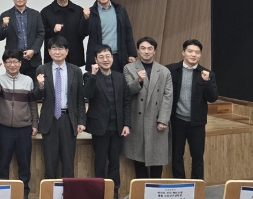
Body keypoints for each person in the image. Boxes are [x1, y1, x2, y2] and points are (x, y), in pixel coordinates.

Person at [34, 36, 86, 179]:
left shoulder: (75, 70)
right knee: (50, 163)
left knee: (68, 162)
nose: (57, 52)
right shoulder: (41, 69)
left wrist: (81, 121)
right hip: (49, 121)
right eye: (54, 49)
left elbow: (80, 98)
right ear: (49, 52)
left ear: (67, 51)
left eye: (61, 48)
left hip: (69, 119)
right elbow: (36, 96)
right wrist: (40, 85)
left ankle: (68, 190)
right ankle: (49, 190)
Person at [84, 45, 131, 199]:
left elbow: (126, 102)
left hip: (117, 128)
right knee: (100, 162)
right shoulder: (89, 76)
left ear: (112, 57)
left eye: (108, 56)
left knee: (114, 162)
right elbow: (87, 94)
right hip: (99, 127)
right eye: (101, 57)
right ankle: (99, 193)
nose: (105, 59)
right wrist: (93, 75)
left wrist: (126, 124)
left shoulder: (119, 77)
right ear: (96, 60)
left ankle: (114, 193)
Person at [167, 39, 218, 179]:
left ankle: (197, 186)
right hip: (177, 120)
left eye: (197, 52)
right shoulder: (171, 70)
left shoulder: (207, 74)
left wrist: (207, 81)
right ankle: (180, 185)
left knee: (197, 156)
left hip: (197, 123)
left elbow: (212, 98)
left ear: (200, 55)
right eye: (190, 51)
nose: (193, 55)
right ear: (183, 52)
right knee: (177, 155)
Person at [0, 49, 38, 199]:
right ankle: (2, 193)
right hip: (4, 128)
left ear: (20, 63)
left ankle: (24, 193)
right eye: (9, 62)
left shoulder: (28, 80)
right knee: (3, 163)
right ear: (4, 64)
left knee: (24, 164)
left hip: (24, 128)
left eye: (15, 61)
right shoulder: (0, 79)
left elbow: (32, 104)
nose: (12, 65)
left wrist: (35, 124)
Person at [123, 36, 173, 179]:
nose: (146, 51)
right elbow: (128, 92)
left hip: (157, 120)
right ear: (138, 51)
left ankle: (155, 188)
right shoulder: (128, 68)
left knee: (158, 158)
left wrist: (163, 119)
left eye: (150, 48)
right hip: (137, 120)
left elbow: (168, 96)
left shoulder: (164, 71)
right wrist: (138, 80)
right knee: (139, 159)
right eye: (143, 48)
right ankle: (141, 189)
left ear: (154, 51)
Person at [84, 0, 137, 74]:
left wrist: (132, 54)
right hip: (100, 57)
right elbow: (83, 33)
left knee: (120, 81)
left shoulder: (120, 9)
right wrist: (85, 19)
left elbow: (128, 31)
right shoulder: (90, 12)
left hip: (119, 55)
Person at [0, 0, 45, 78]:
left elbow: (41, 34)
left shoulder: (35, 14)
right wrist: (4, 26)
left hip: (33, 59)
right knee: (14, 85)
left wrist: (33, 50)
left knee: (34, 85)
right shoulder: (5, 14)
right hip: (13, 59)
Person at [40, 0, 88, 67]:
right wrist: (53, 30)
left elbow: (84, 33)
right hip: (54, 56)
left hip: (75, 54)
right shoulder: (45, 12)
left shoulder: (78, 10)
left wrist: (86, 19)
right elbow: (41, 34)